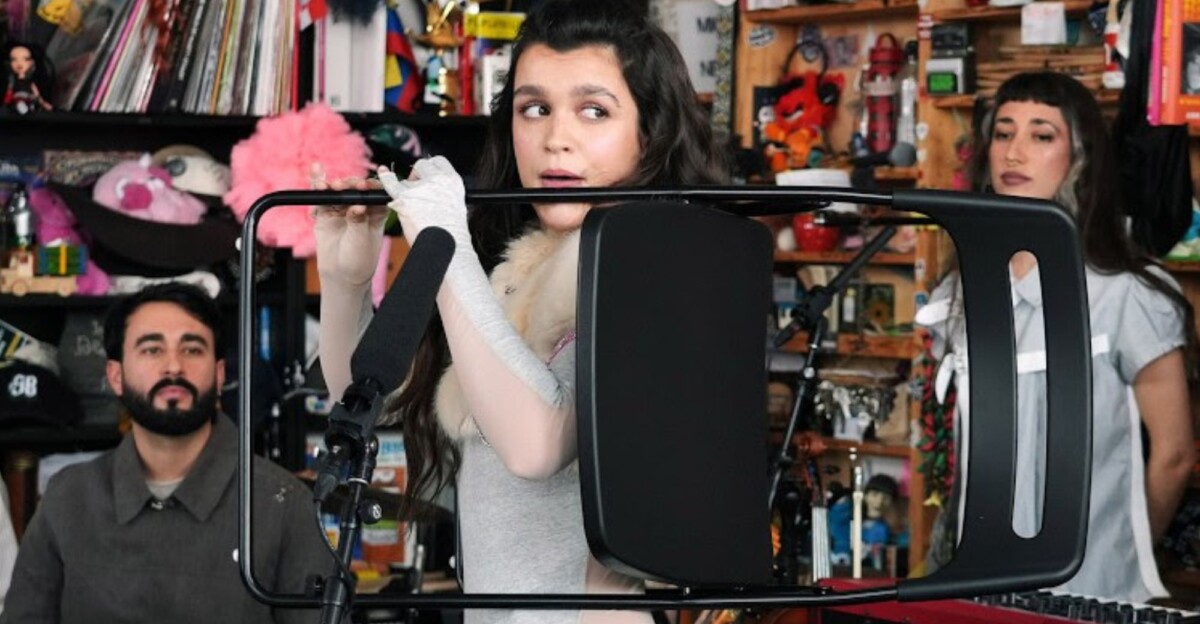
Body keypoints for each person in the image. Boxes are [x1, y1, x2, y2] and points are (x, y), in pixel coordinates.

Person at [313, 1, 726, 622]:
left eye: (594, 110)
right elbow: (362, 393)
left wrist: (445, 245)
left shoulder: (653, 265)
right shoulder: (518, 267)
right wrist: (345, 278)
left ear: (650, 132)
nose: (556, 138)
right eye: (534, 108)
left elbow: (537, 446)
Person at [916, 72, 1198, 603]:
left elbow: (1175, 452)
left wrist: (1115, 553)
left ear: (1081, 157)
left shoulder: (1127, 294)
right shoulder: (961, 291)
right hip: (982, 585)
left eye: (1041, 135)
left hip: (1093, 590)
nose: (1014, 152)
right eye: (1003, 133)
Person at [1, 283, 330, 624]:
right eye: (152, 349)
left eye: (192, 349)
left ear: (219, 375)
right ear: (116, 375)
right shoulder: (69, 499)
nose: (173, 366)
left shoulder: (282, 503)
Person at [3, 43, 52, 114]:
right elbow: (9, 93)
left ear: (32, 63)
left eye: (25, 59)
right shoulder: (11, 81)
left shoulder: (31, 82)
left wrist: (42, 102)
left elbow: (36, 94)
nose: (19, 63)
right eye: (14, 59)